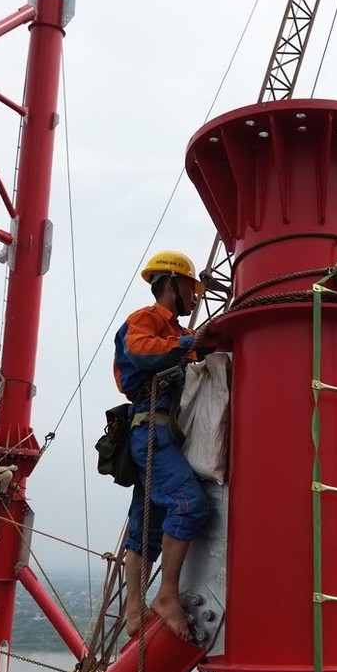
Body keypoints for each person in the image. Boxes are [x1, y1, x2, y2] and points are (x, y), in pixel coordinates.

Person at [114, 249, 211, 641]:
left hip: (158, 432)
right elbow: (140, 351)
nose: (196, 296)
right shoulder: (147, 320)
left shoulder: (176, 333)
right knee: (189, 504)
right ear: (171, 284)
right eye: (190, 287)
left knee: (144, 526)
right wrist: (190, 340)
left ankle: (134, 610)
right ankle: (166, 594)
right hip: (151, 429)